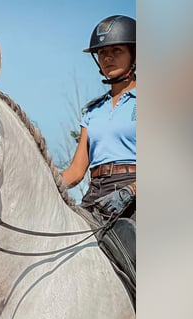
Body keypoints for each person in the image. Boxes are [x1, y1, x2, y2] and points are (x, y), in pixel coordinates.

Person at [62, 15, 136, 221]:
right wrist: (40, 181)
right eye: (102, 52)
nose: (107, 57)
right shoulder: (93, 111)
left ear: (135, 55)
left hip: (135, 194)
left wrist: (130, 190)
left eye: (116, 51)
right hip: (95, 193)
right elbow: (76, 172)